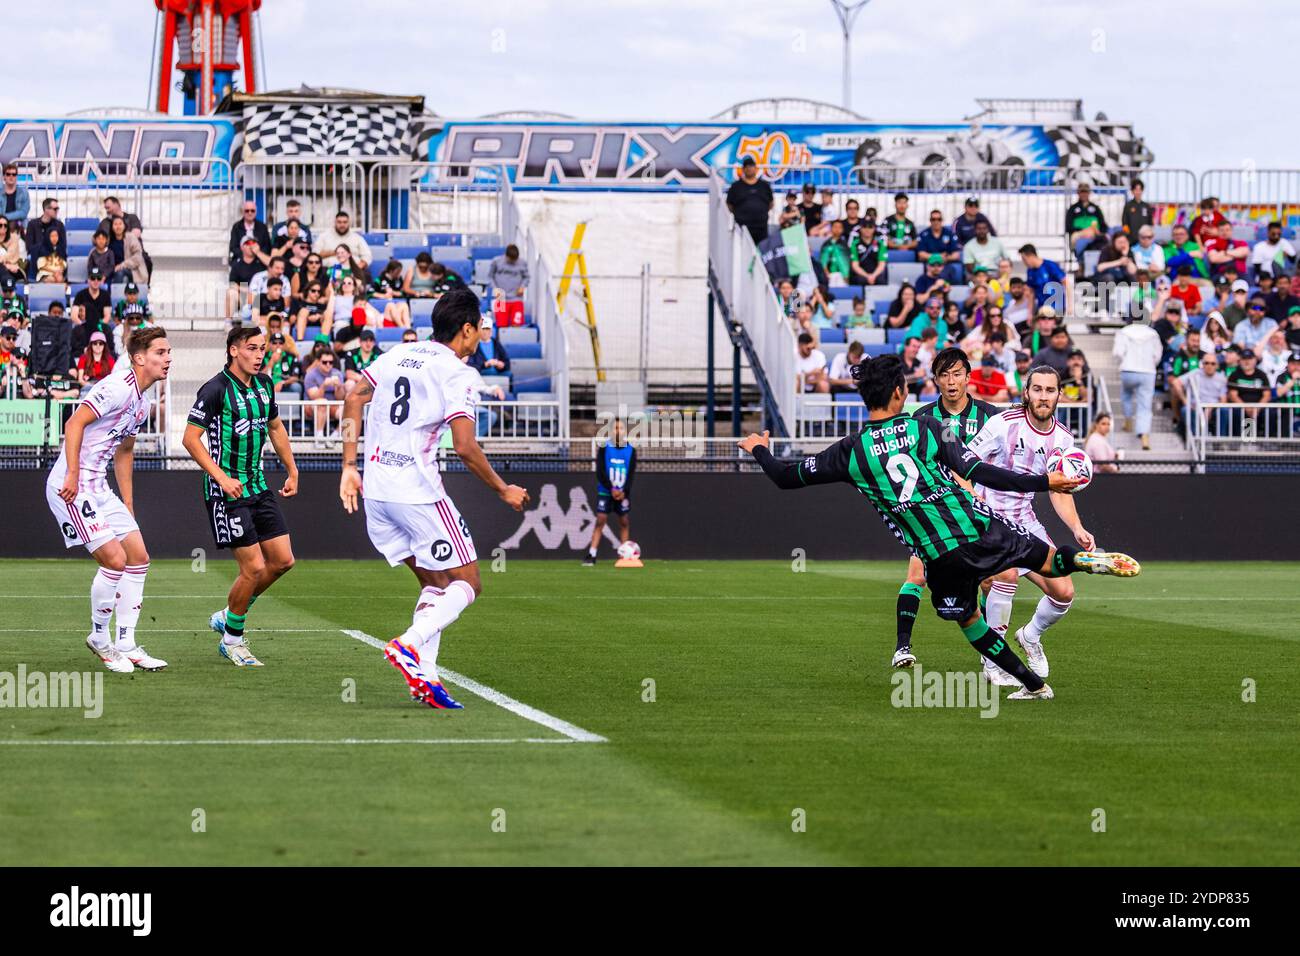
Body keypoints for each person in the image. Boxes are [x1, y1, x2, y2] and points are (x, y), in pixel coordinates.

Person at [740, 354, 1138, 701]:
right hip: (983, 526)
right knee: (1051, 564)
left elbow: (784, 476)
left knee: (969, 620)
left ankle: (1032, 684)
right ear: (900, 392)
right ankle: (1083, 562)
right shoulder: (927, 427)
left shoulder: (850, 451)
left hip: (938, 554)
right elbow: (982, 471)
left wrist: (759, 447)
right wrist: (1043, 481)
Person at [338, 287, 530, 709]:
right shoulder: (458, 373)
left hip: (377, 493)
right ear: (465, 329)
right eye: (480, 327)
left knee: (435, 581)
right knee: (468, 583)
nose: (481, 335)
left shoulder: (398, 355)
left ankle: (426, 678)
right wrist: (503, 489)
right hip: (418, 493)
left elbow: (352, 396)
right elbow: (464, 445)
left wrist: (349, 466)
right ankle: (408, 645)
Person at [45, 326, 172, 673]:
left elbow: (125, 451)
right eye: (160, 352)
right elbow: (74, 424)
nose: (168, 358)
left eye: (169, 352)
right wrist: (71, 473)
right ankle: (100, 640)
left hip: (99, 488)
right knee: (115, 560)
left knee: (139, 557)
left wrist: (127, 504)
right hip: (71, 485)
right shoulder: (117, 387)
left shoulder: (142, 404)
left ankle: (127, 644)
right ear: (139, 358)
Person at [970, 366, 1099, 685]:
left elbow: (1058, 487)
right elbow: (965, 462)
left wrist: (1077, 528)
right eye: (1037, 389)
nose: (1043, 396)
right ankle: (993, 662)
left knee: (1064, 592)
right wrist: (971, 500)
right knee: (1006, 576)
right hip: (988, 515)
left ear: (1059, 395)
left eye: (1050, 390)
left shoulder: (1064, 437)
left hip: (1025, 520)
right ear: (1026, 392)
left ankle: (1029, 636)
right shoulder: (1002, 424)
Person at [183, 326, 300, 667]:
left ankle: (230, 613)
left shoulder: (264, 385)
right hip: (225, 492)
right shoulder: (216, 389)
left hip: (258, 486)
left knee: (282, 561)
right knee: (253, 567)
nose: (259, 354)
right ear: (234, 350)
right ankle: (232, 640)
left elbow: (275, 427)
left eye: (262, 348)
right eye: (252, 348)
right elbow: (190, 439)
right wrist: (221, 477)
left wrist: (292, 470)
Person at [582, 418, 637, 565]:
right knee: (601, 519)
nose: (618, 431)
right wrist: (611, 488)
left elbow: (631, 474)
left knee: (624, 521)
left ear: (625, 431)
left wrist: (624, 490)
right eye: (616, 428)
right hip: (606, 491)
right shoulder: (605, 448)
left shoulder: (631, 450)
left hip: (622, 493)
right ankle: (592, 554)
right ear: (611, 430)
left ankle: (624, 555)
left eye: (621, 428)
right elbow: (600, 472)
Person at [1113, 317, 1163, 449]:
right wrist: (1151, 365)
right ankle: (1144, 434)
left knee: (1126, 396)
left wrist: (1123, 363)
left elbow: (1118, 353)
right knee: (1145, 405)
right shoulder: (1153, 333)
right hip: (1147, 372)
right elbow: (1157, 355)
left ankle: (1128, 421)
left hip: (1128, 369)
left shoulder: (1124, 332)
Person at [725, 157, 774, 245]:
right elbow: (729, 205)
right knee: (743, 254)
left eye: (751, 166)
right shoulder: (736, 186)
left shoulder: (764, 186)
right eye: (746, 166)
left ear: (756, 168)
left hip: (761, 228)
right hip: (742, 228)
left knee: (761, 253)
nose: (749, 168)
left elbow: (771, 203)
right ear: (743, 169)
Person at [1065, 181, 1107, 258]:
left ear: (1089, 193)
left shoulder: (1096, 208)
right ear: (1078, 193)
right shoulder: (1072, 208)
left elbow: (1103, 225)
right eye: (1081, 192)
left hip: (1094, 233)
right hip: (1079, 234)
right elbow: (1068, 226)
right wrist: (1083, 231)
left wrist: (1098, 231)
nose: (1084, 194)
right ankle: (1081, 264)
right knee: (1078, 240)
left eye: (1086, 192)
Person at [227, 200, 272, 266]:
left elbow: (267, 247)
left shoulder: (262, 227)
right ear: (243, 212)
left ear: (256, 212)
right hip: (241, 260)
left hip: (259, 261)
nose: (250, 213)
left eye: (252, 210)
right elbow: (233, 247)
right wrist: (247, 255)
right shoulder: (236, 227)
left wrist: (256, 254)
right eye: (247, 211)